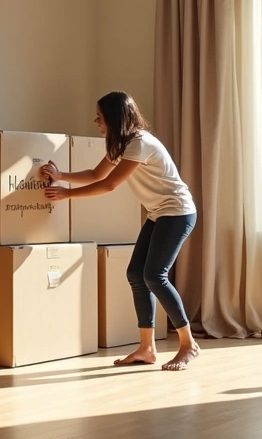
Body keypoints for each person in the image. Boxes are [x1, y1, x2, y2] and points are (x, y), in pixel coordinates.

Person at [40, 91, 200, 371]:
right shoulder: (124, 145)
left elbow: (109, 185)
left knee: (154, 275)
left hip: (177, 213)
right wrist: (61, 175)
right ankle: (147, 349)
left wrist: (66, 195)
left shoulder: (139, 143)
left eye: (100, 116)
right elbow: (96, 174)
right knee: (136, 275)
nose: (96, 121)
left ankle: (188, 344)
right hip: (158, 213)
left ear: (114, 118)